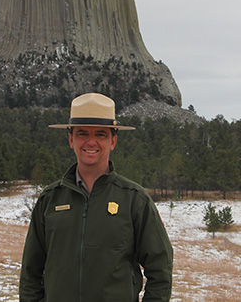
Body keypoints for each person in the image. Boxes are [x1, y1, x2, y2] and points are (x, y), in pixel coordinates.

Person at [19, 93, 173, 302]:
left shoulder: (135, 200)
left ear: (113, 141)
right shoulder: (50, 200)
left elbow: (160, 269)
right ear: (71, 139)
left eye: (101, 134)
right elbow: (31, 272)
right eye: (83, 133)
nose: (91, 142)